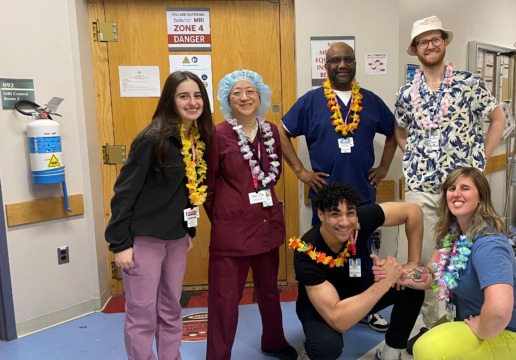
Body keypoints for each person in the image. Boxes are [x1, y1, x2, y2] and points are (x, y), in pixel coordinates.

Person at [394, 15, 507, 340]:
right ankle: (437, 329)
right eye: (423, 41)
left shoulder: (470, 83)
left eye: (435, 39)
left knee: (466, 258)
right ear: (414, 49)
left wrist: (481, 157)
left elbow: (497, 116)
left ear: (444, 42)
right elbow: (400, 129)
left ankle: (472, 324)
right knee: (431, 262)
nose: (430, 45)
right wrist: (414, 155)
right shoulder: (406, 92)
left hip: (462, 189)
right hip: (421, 190)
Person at [279, 41, 397, 332]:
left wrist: (383, 168)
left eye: (347, 60)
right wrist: (301, 171)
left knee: (363, 252)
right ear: (326, 66)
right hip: (326, 197)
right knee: (324, 253)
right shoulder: (310, 101)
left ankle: (365, 307)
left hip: (362, 195)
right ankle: (328, 309)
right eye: (335, 60)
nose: (341, 65)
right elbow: (280, 132)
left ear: (355, 63)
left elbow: (395, 132)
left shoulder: (370, 100)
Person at [105, 71, 214, 360]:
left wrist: (188, 232)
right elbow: (124, 193)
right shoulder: (151, 139)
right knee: (142, 314)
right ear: (170, 100)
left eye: (197, 95)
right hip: (144, 240)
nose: (192, 102)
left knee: (170, 307)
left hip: (176, 238)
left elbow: (186, 192)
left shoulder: (196, 139)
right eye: (183, 96)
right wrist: (120, 243)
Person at [203, 70, 296, 360]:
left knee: (269, 291)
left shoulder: (271, 132)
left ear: (260, 95)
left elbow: (272, 174)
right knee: (225, 299)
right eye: (237, 93)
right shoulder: (217, 135)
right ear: (227, 100)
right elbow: (207, 186)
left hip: (267, 225)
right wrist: (227, 214)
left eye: (250, 91)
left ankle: (274, 341)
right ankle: (218, 356)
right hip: (232, 233)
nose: (244, 97)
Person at [408, 167, 516, 359]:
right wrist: (396, 275)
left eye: (465, 188)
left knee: (426, 350)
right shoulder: (452, 235)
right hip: (464, 317)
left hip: (505, 329)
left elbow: (499, 310)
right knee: (415, 345)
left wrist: (483, 329)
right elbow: (431, 276)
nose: (456, 193)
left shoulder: (489, 244)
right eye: (452, 188)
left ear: (481, 197)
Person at [291, 183, 428, 360]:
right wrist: (385, 282)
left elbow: (413, 211)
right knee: (326, 347)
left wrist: (413, 262)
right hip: (320, 304)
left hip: (356, 287)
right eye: (335, 214)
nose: (345, 222)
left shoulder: (360, 220)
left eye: (350, 213)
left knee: (410, 286)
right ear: (321, 214)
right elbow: (338, 320)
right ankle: (308, 352)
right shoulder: (306, 251)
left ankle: (392, 353)